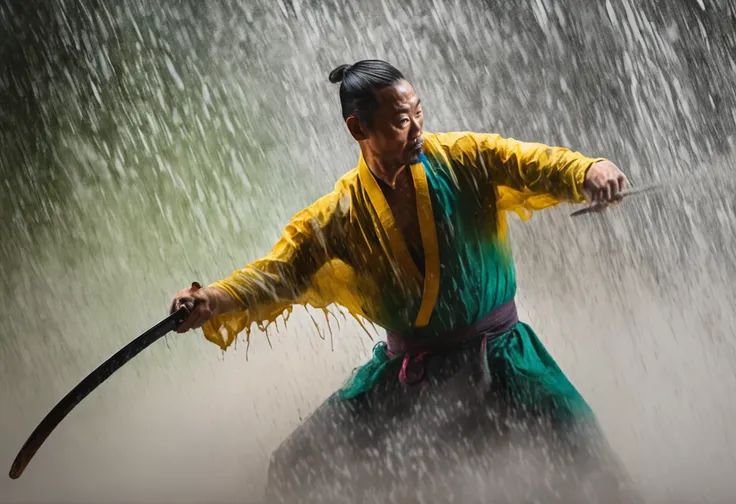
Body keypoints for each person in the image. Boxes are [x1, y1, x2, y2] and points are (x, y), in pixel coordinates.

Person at [170, 60, 640, 503]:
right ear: (359, 129)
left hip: (502, 358)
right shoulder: (341, 214)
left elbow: (529, 161)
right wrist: (210, 298)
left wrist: (589, 170)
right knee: (297, 464)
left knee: (594, 467)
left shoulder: (464, 157)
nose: (417, 128)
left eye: (419, 113)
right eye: (400, 120)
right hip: (410, 376)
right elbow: (278, 273)